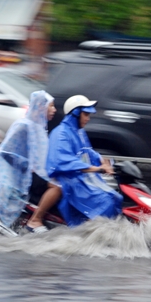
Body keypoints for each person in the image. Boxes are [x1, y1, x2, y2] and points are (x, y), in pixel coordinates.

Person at [0, 90, 61, 234]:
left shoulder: (40, 128)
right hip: (23, 174)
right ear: (41, 106)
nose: (54, 110)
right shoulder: (23, 125)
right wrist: (27, 165)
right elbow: (4, 152)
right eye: (51, 106)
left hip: (38, 172)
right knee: (57, 186)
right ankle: (36, 219)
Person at [46, 95, 122, 227]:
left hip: (83, 179)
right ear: (75, 114)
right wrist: (97, 169)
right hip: (69, 181)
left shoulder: (79, 132)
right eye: (86, 114)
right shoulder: (61, 133)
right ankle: (86, 233)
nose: (88, 118)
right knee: (106, 201)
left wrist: (104, 161)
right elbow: (64, 161)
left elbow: (88, 151)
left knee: (116, 197)